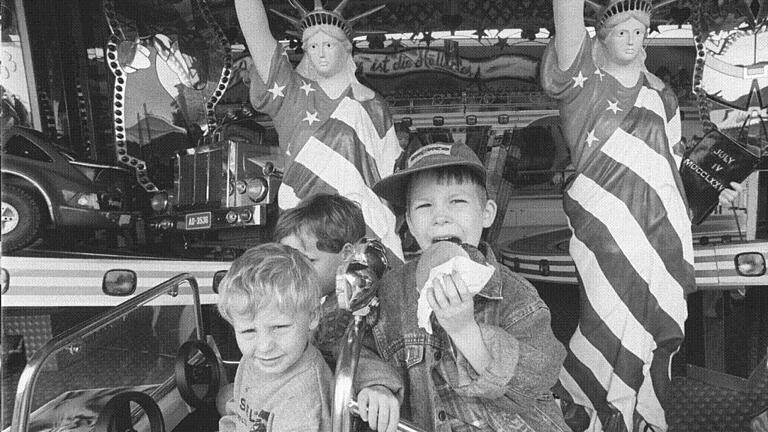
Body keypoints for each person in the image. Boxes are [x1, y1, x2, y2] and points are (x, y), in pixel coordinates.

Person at [541, 1, 742, 431]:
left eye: (638, 33)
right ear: (602, 38)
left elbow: (672, 164)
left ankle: (648, 416)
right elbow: (567, 19)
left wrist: (715, 187)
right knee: (606, 319)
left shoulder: (662, 96)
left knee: (657, 328)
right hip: (605, 230)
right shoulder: (586, 85)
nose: (631, 41)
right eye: (620, 33)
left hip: (660, 233)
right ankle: (596, 412)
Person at [362, 142, 569, 431]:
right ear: (408, 222)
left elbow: (533, 382)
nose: (440, 216)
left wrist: (464, 330)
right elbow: (364, 348)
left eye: (457, 201)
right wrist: (376, 384)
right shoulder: (392, 290)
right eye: (424, 205)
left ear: (487, 213)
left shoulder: (516, 295)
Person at [234, 0, 404, 262]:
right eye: (313, 46)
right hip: (302, 231)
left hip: (360, 232)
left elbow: (391, 177)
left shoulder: (371, 105)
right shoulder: (291, 94)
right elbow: (256, 32)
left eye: (328, 44)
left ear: (346, 48)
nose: (320, 53)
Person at [216, 243, 332, 431]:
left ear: (312, 316)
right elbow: (240, 417)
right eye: (248, 331)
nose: (264, 347)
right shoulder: (252, 361)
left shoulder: (303, 401)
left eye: (279, 327)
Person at [274, 193, 366, 368]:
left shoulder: (348, 312)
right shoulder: (311, 300)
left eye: (307, 261)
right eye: (288, 261)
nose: (294, 272)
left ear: (347, 254)